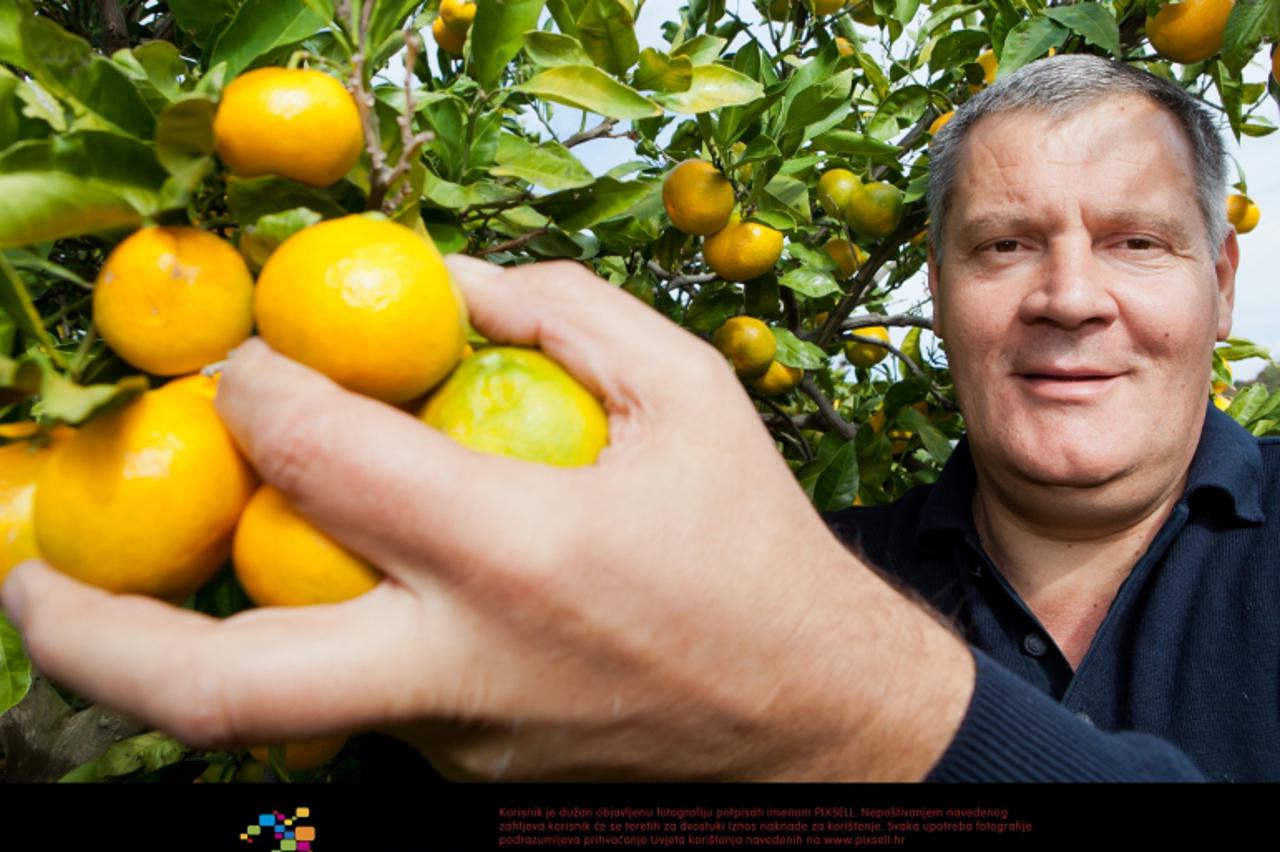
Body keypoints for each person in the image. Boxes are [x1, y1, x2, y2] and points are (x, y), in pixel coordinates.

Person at [0, 54, 1264, 781]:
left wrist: (851, 706)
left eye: (1136, 244)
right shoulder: (788, 557)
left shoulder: (769, 610)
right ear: (935, 289)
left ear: (1218, 282)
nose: (1067, 298)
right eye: (1002, 246)